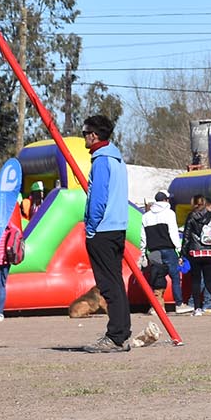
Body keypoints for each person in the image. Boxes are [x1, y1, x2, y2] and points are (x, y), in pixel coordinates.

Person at [77, 115, 134, 351]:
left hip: (102, 229)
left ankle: (116, 336)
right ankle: (122, 332)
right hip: (117, 227)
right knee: (116, 283)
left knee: (108, 285)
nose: (83, 137)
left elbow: (98, 198)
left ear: (94, 135)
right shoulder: (117, 159)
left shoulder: (101, 160)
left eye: (84, 133)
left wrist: (91, 228)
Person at [142, 191, 186, 313]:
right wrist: (179, 249)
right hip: (168, 249)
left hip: (153, 251)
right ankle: (179, 304)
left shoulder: (146, 216)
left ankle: (158, 307)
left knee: (157, 278)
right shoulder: (169, 213)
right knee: (175, 277)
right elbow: (173, 232)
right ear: (166, 200)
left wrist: (143, 252)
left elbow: (143, 237)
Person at [180, 195, 211, 315]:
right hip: (210, 253)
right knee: (209, 280)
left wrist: (182, 254)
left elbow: (186, 237)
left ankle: (197, 308)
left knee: (196, 281)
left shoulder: (191, 216)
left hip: (195, 253)